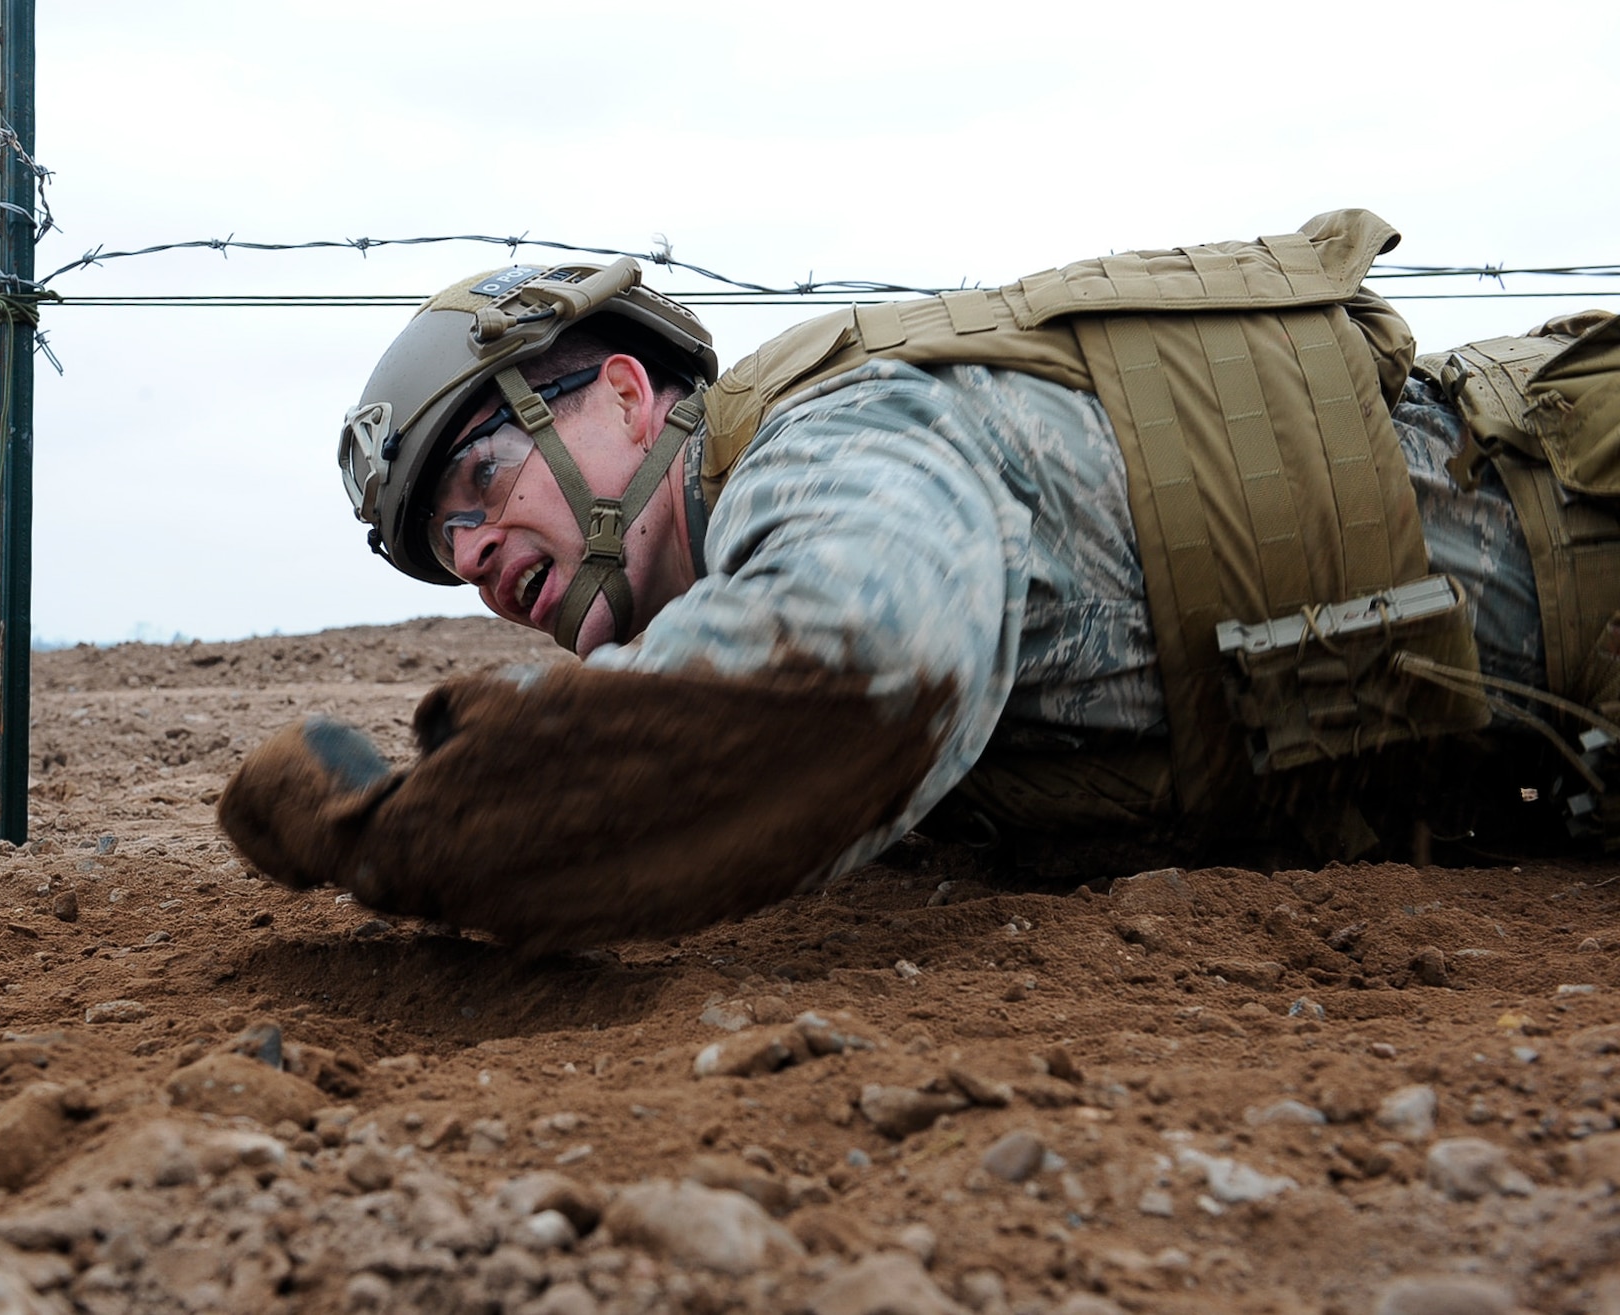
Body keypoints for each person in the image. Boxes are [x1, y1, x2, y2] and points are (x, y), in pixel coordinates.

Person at [217, 209, 1620, 952]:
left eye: (476, 482)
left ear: (630, 400)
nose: (469, 558)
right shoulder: (759, 521)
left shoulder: (842, 438)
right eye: (437, 549)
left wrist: (402, 829)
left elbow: (834, 686)